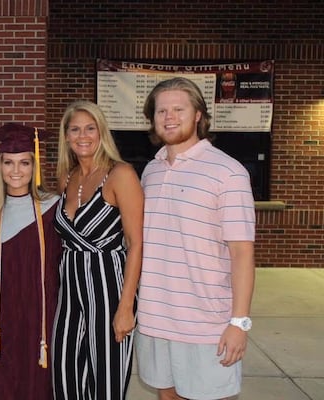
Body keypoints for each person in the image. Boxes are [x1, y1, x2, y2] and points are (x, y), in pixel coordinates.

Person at [135, 77, 256, 400]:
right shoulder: (151, 171)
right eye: (161, 110)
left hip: (206, 324)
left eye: (178, 109)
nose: (169, 117)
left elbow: (242, 254)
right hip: (155, 318)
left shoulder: (227, 172)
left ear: (198, 115)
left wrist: (239, 322)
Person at [52, 100, 144, 399]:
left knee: (106, 383)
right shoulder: (65, 177)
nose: (83, 135)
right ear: (66, 136)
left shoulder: (121, 174)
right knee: (65, 378)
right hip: (69, 294)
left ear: (101, 132)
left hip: (108, 291)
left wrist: (126, 307)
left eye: (90, 128)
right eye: (75, 129)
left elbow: (135, 243)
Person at [0, 123, 62, 400]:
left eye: (24, 162)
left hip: (36, 316)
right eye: (8, 163)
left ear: (35, 166)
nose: (16, 170)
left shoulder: (54, 208)